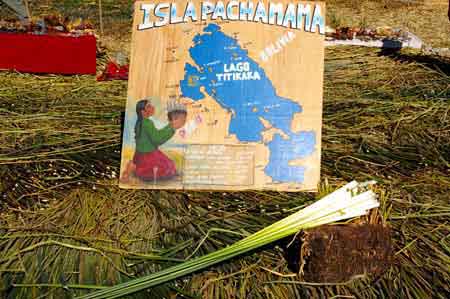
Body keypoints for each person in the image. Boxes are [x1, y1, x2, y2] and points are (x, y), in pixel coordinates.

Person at [121, 98, 186, 181]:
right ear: (143, 112)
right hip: (148, 155)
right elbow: (157, 139)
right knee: (167, 169)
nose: (152, 107)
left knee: (169, 164)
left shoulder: (141, 122)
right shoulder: (147, 123)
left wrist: (169, 126)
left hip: (140, 155)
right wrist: (172, 129)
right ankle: (133, 168)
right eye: (148, 106)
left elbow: (156, 134)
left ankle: (133, 166)